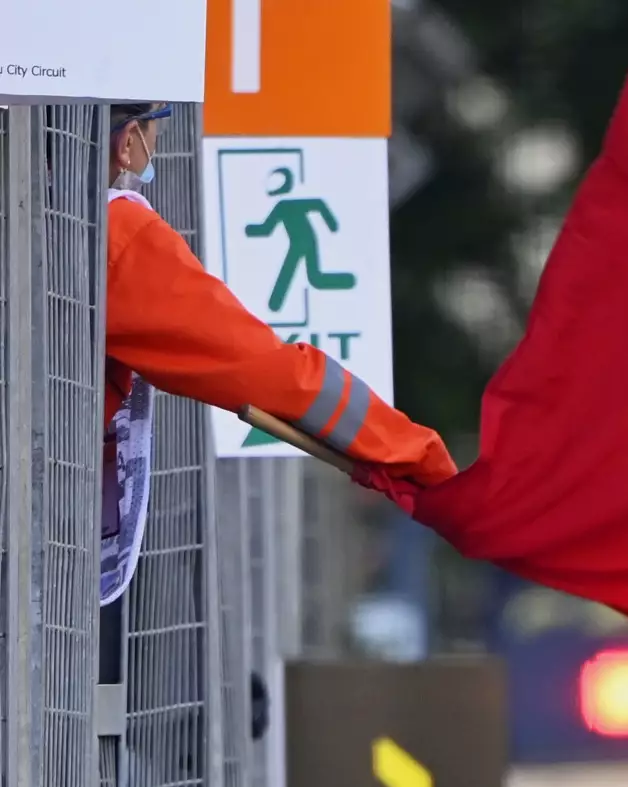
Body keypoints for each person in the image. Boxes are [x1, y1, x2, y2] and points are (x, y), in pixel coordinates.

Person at [98, 102, 457, 673]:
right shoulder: (116, 231)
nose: (155, 150)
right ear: (127, 142)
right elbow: (269, 375)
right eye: (158, 132)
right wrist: (419, 459)